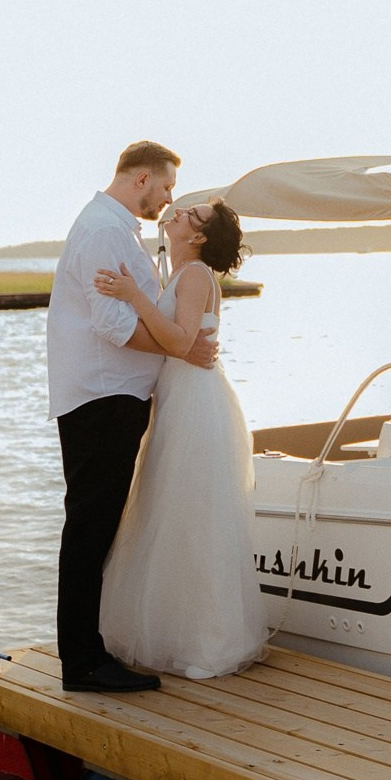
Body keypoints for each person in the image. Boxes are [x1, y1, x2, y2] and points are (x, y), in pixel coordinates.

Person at [46, 140, 215, 693]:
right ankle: (83, 662)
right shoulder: (106, 231)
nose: (168, 199)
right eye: (166, 187)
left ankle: (88, 651)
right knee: (90, 526)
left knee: (96, 526)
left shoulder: (115, 229)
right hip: (103, 398)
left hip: (110, 396)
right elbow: (112, 324)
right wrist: (178, 349)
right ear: (142, 179)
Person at [92, 199, 269, 679]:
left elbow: (177, 340)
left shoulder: (193, 277)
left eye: (191, 214)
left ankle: (207, 643)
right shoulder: (180, 273)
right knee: (169, 515)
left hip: (196, 406)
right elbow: (182, 343)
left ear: (199, 237)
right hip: (178, 399)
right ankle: (175, 634)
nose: (178, 212)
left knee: (193, 518)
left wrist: (133, 295)